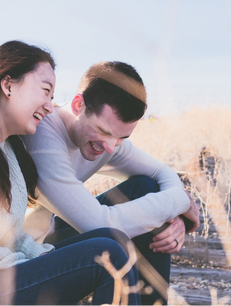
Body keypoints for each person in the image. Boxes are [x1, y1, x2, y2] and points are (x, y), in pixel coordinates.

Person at [0, 41, 141, 306]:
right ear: (7, 85)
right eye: (44, 91)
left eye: (52, 97)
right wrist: (28, 264)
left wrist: (39, 257)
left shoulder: (6, 149)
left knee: (112, 238)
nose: (50, 106)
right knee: (108, 255)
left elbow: (11, 237)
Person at [22, 61, 200, 305]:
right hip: (24, 259)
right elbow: (99, 223)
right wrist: (178, 202)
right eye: (103, 131)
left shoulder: (109, 140)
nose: (109, 147)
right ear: (78, 105)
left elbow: (161, 171)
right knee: (116, 239)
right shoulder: (42, 135)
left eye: (122, 137)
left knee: (147, 187)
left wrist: (174, 216)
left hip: (50, 236)